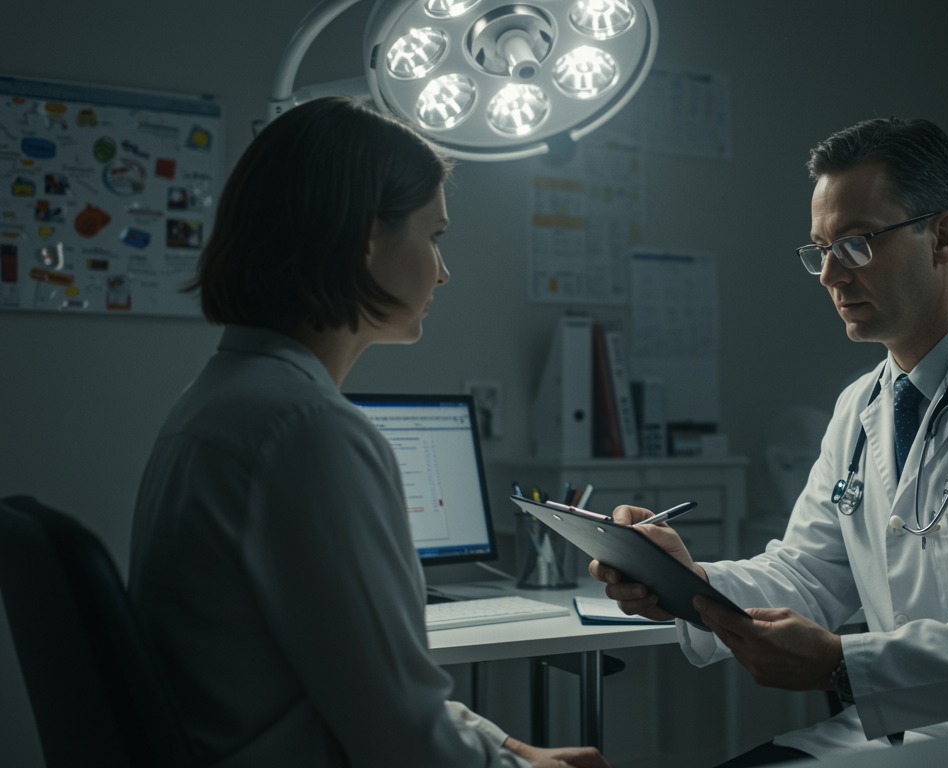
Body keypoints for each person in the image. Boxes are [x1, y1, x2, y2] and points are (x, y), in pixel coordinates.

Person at [591, 117, 948, 765]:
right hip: (905, 732)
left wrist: (844, 665)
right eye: (818, 250)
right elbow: (808, 573)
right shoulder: (860, 407)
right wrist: (687, 581)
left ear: (943, 237)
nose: (828, 274)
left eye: (855, 243)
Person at [128, 97, 608, 768]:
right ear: (363, 238)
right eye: (434, 235)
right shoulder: (307, 432)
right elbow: (401, 739)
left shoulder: (215, 403)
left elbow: (373, 688)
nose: (444, 270)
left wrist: (507, 748)